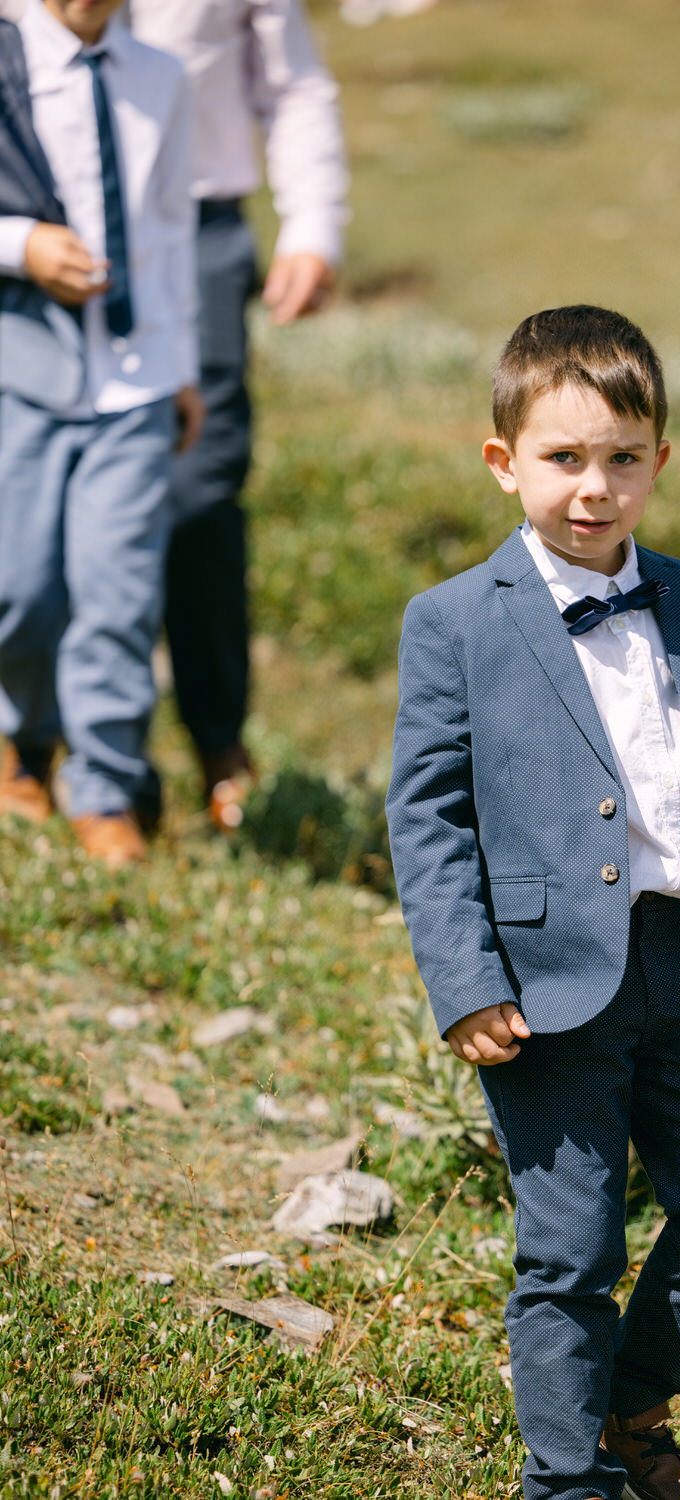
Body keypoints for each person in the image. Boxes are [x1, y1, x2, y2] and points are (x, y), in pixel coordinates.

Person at [385, 306, 680, 1500]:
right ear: (503, 461)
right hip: (543, 983)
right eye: (564, 458)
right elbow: (427, 821)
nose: (593, 486)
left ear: (658, 463)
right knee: (568, 1251)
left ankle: (632, 1395)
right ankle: (565, 1479)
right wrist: (466, 985)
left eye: (622, 457)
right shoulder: (454, 622)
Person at [127, 0, 350, 833]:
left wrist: (314, 224)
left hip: (200, 229)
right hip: (56, 235)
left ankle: (218, 740)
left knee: (201, 490)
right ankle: (46, 740)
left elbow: (293, 82)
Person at [0, 0, 201, 867]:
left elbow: (169, 231)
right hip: (20, 371)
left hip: (138, 378)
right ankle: (15, 741)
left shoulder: (162, 77)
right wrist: (22, 245)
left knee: (117, 596)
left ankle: (106, 785)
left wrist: (183, 362)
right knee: (22, 584)